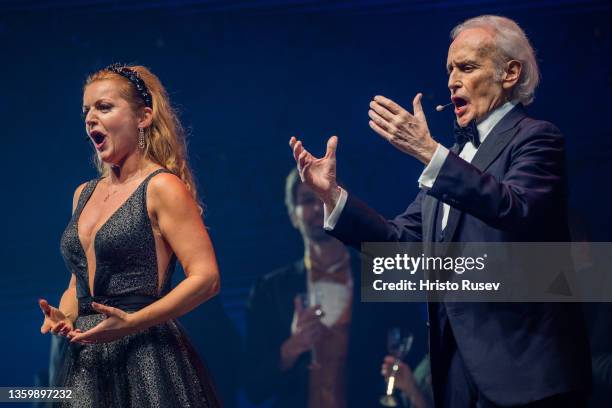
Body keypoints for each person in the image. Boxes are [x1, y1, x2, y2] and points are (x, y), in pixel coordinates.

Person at [289, 15, 591, 408]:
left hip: (529, 380)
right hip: (459, 382)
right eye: (449, 70)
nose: (451, 81)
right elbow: (401, 242)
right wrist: (333, 198)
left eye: (466, 67)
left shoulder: (537, 138)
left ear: (510, 73)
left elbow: (516, 208)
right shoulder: (453, 160)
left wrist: (429, 153)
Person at [38, 63, 222, 407]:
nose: (90, 118)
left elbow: (207, 277)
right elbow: (77, 283)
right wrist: (64, 315)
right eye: (86, 110)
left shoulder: (162, 187)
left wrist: (133, 322)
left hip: (146, 356)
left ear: (144, 117)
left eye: (104, 107)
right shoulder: (83, 193)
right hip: (87, 360)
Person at [244, 169, 425, 408]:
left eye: (324, 198)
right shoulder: (269, 291)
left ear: (342, 207)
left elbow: (418, 354)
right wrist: (292, 347)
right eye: (308, 200)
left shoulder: (384, 275)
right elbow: (253, 389)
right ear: (293, 216)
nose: (318, 208)